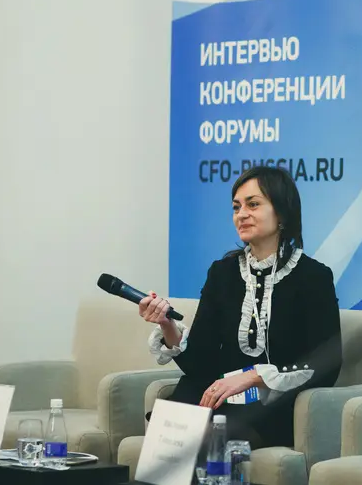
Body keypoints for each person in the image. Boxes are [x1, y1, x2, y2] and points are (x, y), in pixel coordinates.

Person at [138, 165, 343, 448]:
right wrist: (166, 324)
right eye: (236, 207)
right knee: (170, 432)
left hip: (270, 407)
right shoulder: (222, 273)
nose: (241, 214)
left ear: (282, 213)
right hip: (217, 398)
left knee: (202, 438)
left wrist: (253, 378)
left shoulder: (313, 277)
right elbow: (200, 363)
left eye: (253, 204)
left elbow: (326, 364)